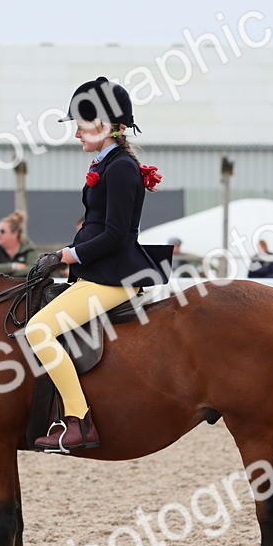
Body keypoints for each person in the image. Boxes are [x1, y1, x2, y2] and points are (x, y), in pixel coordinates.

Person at [24, 76, 167, 452]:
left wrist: (66, 255)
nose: (76, 133)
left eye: (81, 125)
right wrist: (64, 254)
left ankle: (79, 420)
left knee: (38, 330)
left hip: (114, 276)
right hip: (100, 272)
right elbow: (95, 226)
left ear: (103, 126)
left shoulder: (119, 168)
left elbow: (115, 235)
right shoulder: (108, 164)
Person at [0, 211, 39, 277]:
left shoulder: (29, 250)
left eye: (2, 231)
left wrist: (4, 273)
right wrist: (14, 266)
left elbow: (33, 270)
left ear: (15, 233)